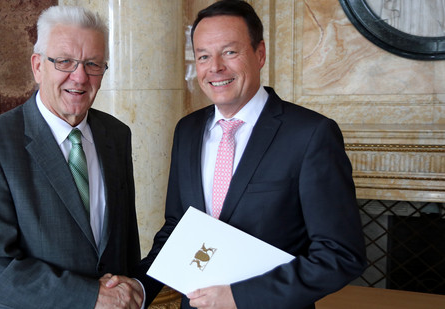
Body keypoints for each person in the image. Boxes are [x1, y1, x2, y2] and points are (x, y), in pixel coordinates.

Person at [129, 0, 367, 308]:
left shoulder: (310, 135)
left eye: (229, 52)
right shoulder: (187, 131)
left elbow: (341, 254)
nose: (215, 67)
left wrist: (240, 297)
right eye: (203, 56)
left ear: (260, 54)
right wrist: (139, 284)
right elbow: (178, 227)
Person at [0, 5, 143, 309]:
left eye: (93, 64)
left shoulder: (116, 134)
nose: (80, 77)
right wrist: (90, 295)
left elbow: (124, 242)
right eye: (65, 61)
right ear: (37, 66)